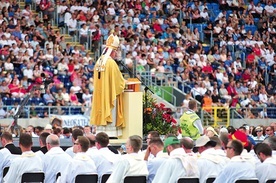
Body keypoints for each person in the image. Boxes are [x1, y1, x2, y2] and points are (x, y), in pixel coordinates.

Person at [90, 33, 125, 130]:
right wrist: (124, 83)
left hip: (100, 94)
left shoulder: (99, 61)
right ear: (112, 52)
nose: (116, 54)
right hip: (109, 94)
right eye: (116, 51)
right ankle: (111, 132)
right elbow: (118, 82)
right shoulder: (111, 63)